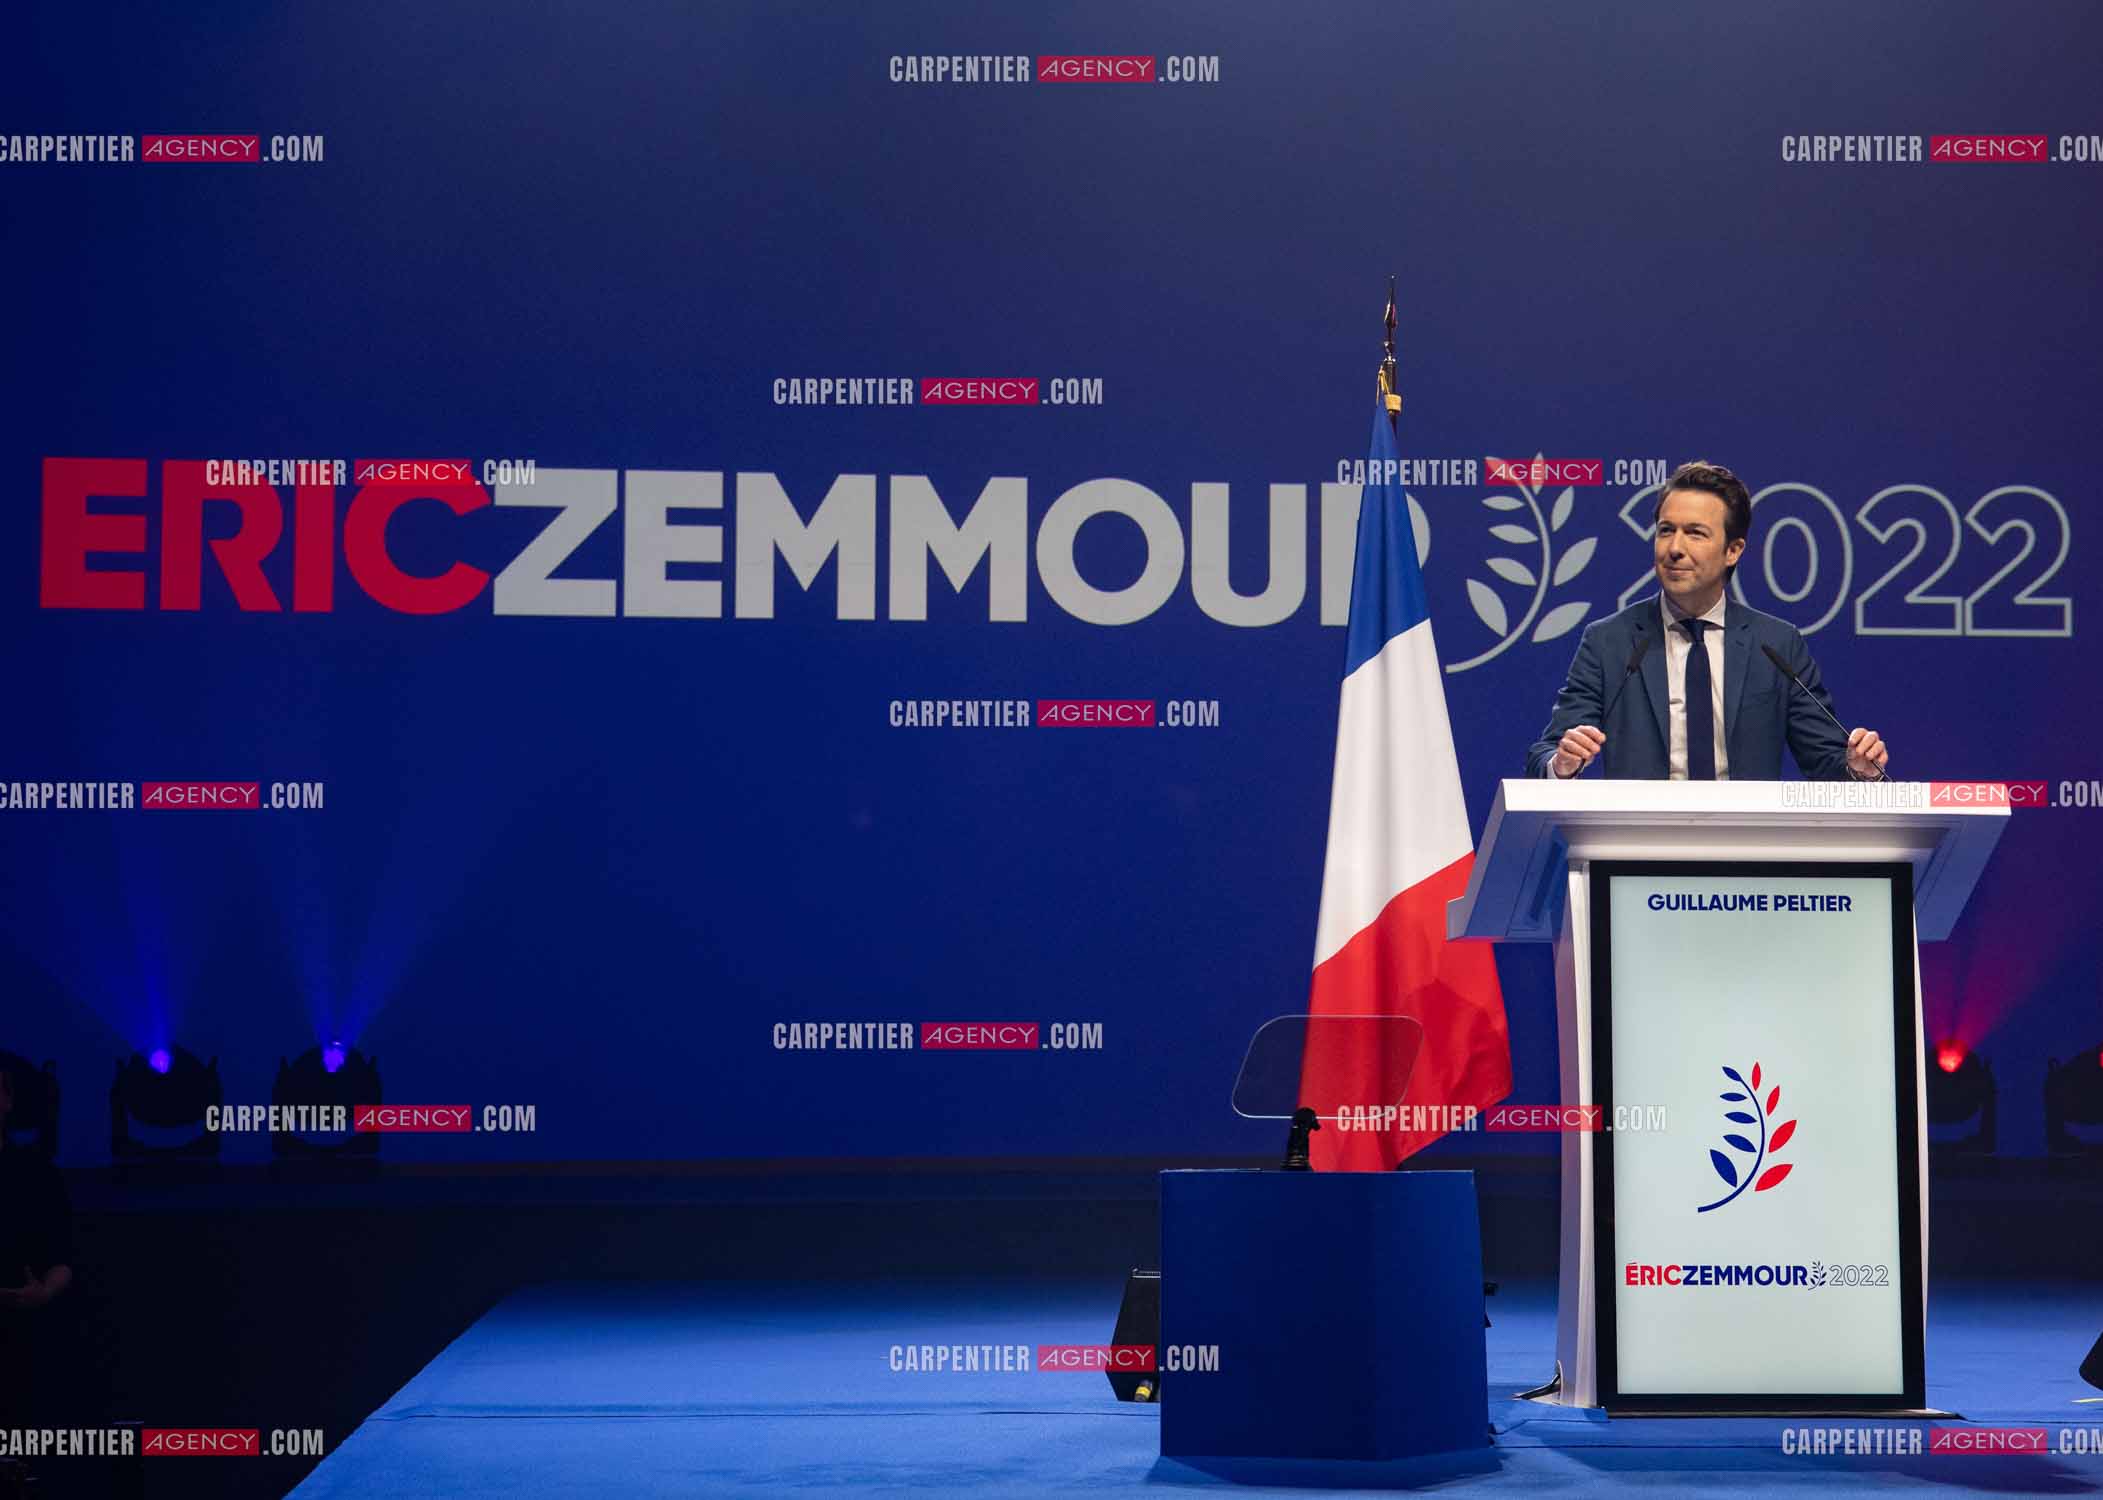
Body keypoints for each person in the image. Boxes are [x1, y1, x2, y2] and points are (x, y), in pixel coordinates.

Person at [1526, 462, 1890, 781]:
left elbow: (1826, 761)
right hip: (1637, 849)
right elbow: (1546, 755)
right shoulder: (1610, 641)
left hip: (1747, 850)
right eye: (1666, 530)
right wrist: (1564, 762)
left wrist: (1859, 769)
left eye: (1695, 533)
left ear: (1733, 550)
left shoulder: (1776, 644)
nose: (1673, 548)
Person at [0, 1063, 75, 1440]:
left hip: (17, 1338)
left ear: (7, 1100)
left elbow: (63, 1256)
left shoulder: (35, 1172)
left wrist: (45, 1291)